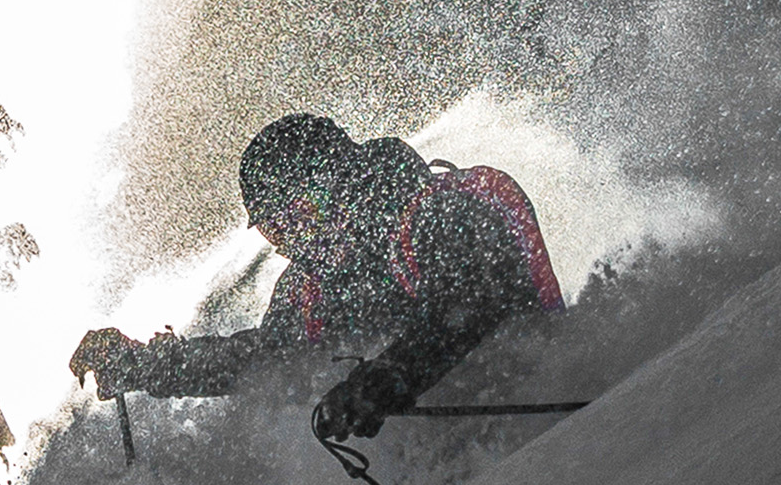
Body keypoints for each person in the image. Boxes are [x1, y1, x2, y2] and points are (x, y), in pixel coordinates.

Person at [70, 114, 564, 442]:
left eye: (305, 210)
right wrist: (147, 366)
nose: (296, 238)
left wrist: (389, 376)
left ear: (345, 179)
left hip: (552, 415)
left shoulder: (442, 208)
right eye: (275, 227)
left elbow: (470, 305)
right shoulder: (312, 288)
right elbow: (257, 361)